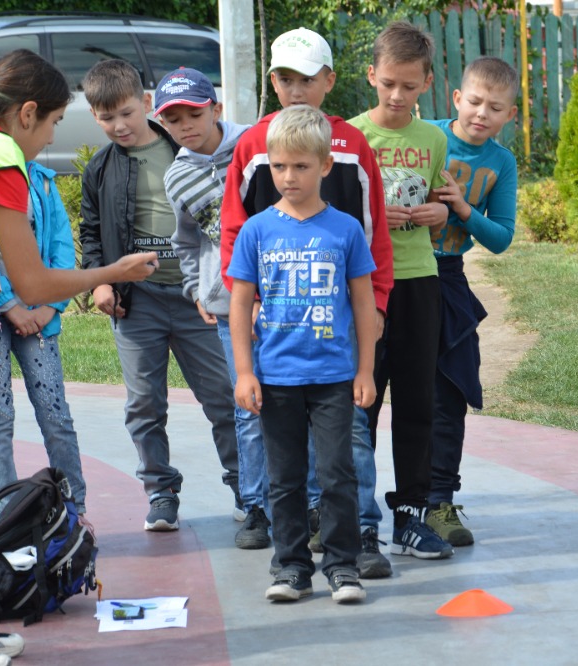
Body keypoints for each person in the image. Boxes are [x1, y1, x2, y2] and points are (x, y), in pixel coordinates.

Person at [0, 50, 155, 666]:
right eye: (55, 121)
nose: (54, 136)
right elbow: (31, 282)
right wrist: (113, 271)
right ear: (27, 113)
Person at [220, 27, 395, 578]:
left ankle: (359, 533)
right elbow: (235, 230)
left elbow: (372, 232)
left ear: (329, 80)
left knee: (349, 445)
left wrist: (377, 304)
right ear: (272, 82)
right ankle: (273, 529)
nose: (296, 89)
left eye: (307, 78)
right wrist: (247, 301)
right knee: (278, 453)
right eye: (285, 79)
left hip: (336, 340)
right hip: (275, 339)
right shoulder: (253, 145)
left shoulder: (353, 145)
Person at [79, 59, 240, 532]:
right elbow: (91, 231)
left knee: (224, 396)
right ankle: (161, 492)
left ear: (147, 103)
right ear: (94, 117)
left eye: (127, 113)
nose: (119, 125)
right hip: (138, 301)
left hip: (196, 298)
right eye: (106, 118)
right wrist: (100, 281)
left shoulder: (184, 148)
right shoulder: (100, 168)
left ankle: (246, 486)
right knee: (144, 404)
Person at [347, 21, 454, 559]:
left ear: (427, 84)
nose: (397, 95)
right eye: (389, 83)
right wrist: (369, 217)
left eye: (409, 86)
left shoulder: (434, 139)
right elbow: (329, 210)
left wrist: (440, 213)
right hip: (364, 286)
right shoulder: (350, 136)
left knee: (417, 402)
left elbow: (439, 202)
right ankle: (354, 518)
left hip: (419, 281)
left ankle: (411, 516)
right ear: (371, 75)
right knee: (359, 404)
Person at [153, 67, 271, 549]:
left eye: (194, 114)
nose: (185, 126)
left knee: (301, 401)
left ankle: (309, 504)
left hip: (287, 294)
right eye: (173, 119)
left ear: (216, 109)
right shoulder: (178, 175)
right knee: (249, 405)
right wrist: (195, 290)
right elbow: (187, 241)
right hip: (228, 305)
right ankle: (256, 505)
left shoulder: (258, 145)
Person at [423, 56, 519, 546]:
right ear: (457, 99)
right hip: (396, 272)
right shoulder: (427, 138)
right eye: (476, 102)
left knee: (451, 391)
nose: (483, 113)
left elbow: (501, 238)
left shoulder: (502, 163)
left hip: (448, 276)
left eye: (495, 108)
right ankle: (350, 505)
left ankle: (439, 501)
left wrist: (462, 208)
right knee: (367, 392)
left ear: (510, 115)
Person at [0, 157, 89, 520]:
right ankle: (6, 518)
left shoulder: (42, 180)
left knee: (55, 415)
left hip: (40, 316)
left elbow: (61, 246)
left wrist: (50, 305)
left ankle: (74, 509)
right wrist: (11, 305)